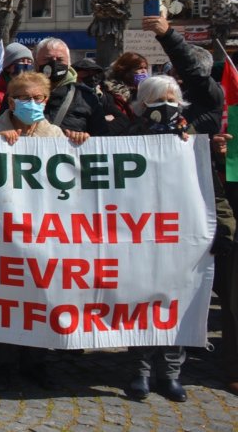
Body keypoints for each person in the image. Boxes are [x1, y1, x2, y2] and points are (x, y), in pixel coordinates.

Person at [122, 75, 232, 403]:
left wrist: (225, 229)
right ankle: (140, 370)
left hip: (181, 237)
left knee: (177, 304)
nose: (166, 105)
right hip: (138, 236)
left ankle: (170, 372)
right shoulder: (125, 137)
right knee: (140, 304)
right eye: (159, 99)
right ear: (143, 103)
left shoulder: (192, 140)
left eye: (171, 98)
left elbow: (212, 190)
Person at [0, 71, 67, 390]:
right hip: (3, 232)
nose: (32, 103)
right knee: (5, 298)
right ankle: (1, 365)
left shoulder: (54, 134)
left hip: (43, 232)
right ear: (11, 101)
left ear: (46, 100)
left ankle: (35, 363)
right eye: (24, 98)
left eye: (38, 98)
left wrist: (79, 143)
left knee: (39, 297)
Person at [143, 13, 224, 136]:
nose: (176, 73)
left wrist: (168, 35)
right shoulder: (158, 92)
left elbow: (192, 71)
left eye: (180, 70)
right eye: (174, 68)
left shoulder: (209, 94)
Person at [33, 37, 107, 142]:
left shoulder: (87, 98)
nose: (54, 63)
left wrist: (84, 138)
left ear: (69, 63)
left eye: (60, 59)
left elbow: (102, 138)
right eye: (47, 59)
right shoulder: (20, 94)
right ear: (36, 63)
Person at [0, 42, 34, 124]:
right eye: (21, 61)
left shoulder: (37, 90)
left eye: (29, 62)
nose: (26, 64)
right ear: (8, 67)